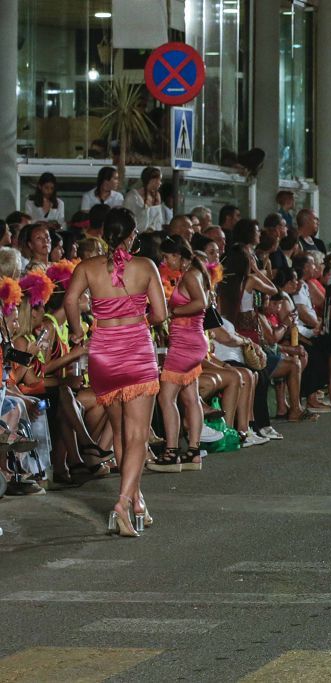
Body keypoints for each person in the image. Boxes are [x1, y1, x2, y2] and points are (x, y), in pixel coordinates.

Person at [64, 207, 168, 537]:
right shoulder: (146, 266)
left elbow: (69, 301)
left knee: (120, 430)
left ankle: (137, 499)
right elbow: (161, 314)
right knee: (138, 433)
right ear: (131, 236)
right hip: (136, 350)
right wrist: (136, 321)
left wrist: (78, 333)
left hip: (103, 353)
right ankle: (123, 502)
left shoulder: (87, 267)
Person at [148, 236, 210, 474]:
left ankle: (171, 452)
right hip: (192, 342)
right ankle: (193, 452)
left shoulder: (191, 275)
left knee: (166, 397)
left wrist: (172, 310)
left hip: (186, 343)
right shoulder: (193, 274)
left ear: (178, 255)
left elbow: (201, 303)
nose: (165, 261)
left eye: (167, 256)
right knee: (191, 397)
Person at [123, 167, 166, 233]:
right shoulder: (132, 197)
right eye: (159, 180)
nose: (160, 183)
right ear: (152, 180)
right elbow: (126, 220)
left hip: (152, 236)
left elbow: (158, 220)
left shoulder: (157, 196)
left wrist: (152, 229)